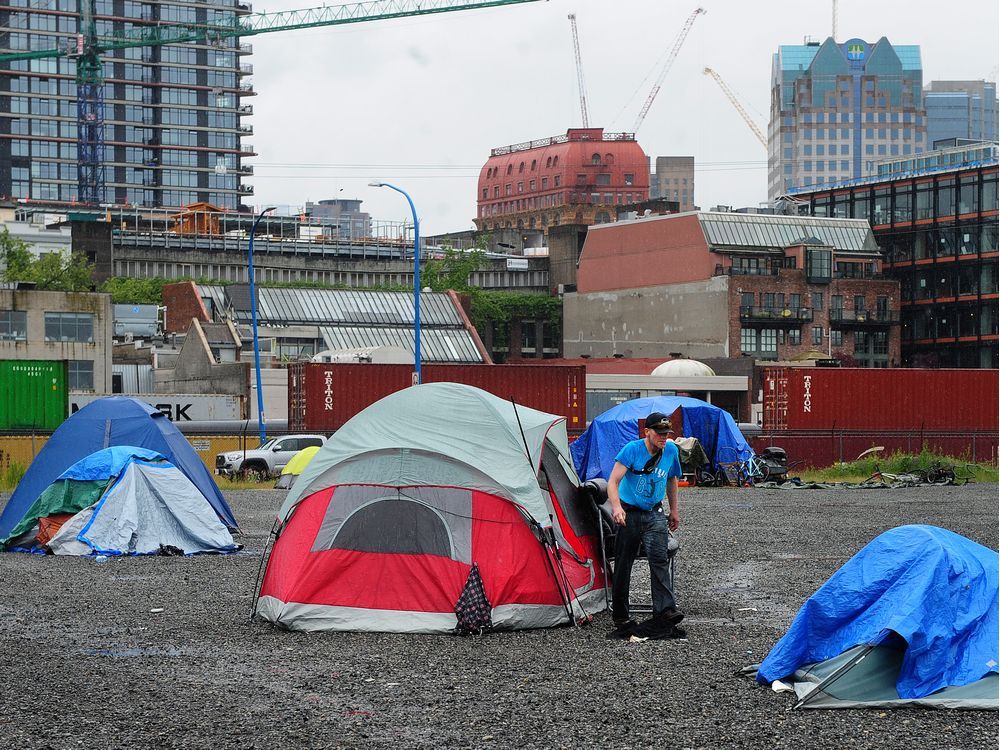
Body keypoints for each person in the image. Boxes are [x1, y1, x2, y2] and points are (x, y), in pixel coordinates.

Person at [606, 411, 684, 640]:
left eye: (666, 433)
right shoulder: (631, 450)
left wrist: (675, 510)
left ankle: (665, 610)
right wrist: (617, 507)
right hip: (629, 513)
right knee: (623, 563)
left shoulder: (671, 450)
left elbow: (671, 479)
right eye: (659, 433)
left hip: (655, 513)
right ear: (647, 432)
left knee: (659, 559)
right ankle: (621, 615)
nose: (663, 437)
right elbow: (613, 481)